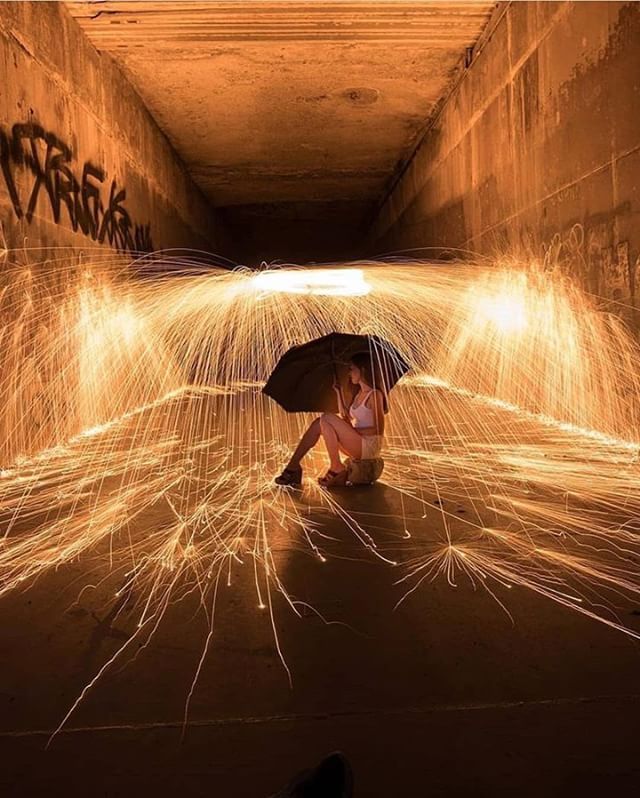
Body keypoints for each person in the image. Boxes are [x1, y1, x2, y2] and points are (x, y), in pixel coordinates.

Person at [274, 352, 387, 488]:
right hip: (358, 442)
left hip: (369, 446)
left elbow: (379, 430)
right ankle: (293, 467)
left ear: (362, 370)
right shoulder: (358, 395)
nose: (349, 373)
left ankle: (336, 466)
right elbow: (346, 419)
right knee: (318, 423)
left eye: (351, 369)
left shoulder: (375, 395)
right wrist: (338, 392)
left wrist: (352, 431)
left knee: (326, 417)